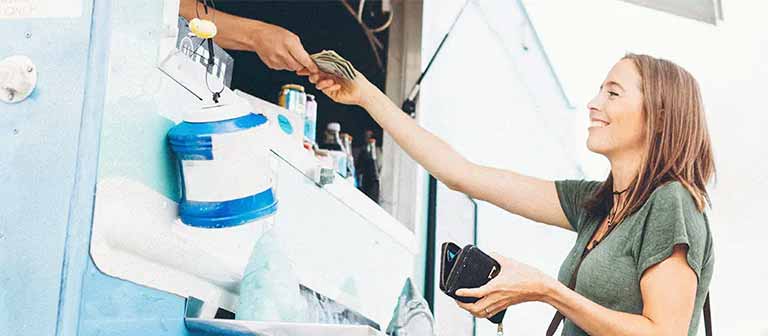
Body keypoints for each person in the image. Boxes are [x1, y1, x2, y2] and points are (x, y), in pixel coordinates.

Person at [300, 53, 715, 335]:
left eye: (612, 92)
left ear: (659, 117)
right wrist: (366, 95)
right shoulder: (598, 204)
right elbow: (461, 174)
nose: (593, 103)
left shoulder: (670, 202)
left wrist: (545, 290)